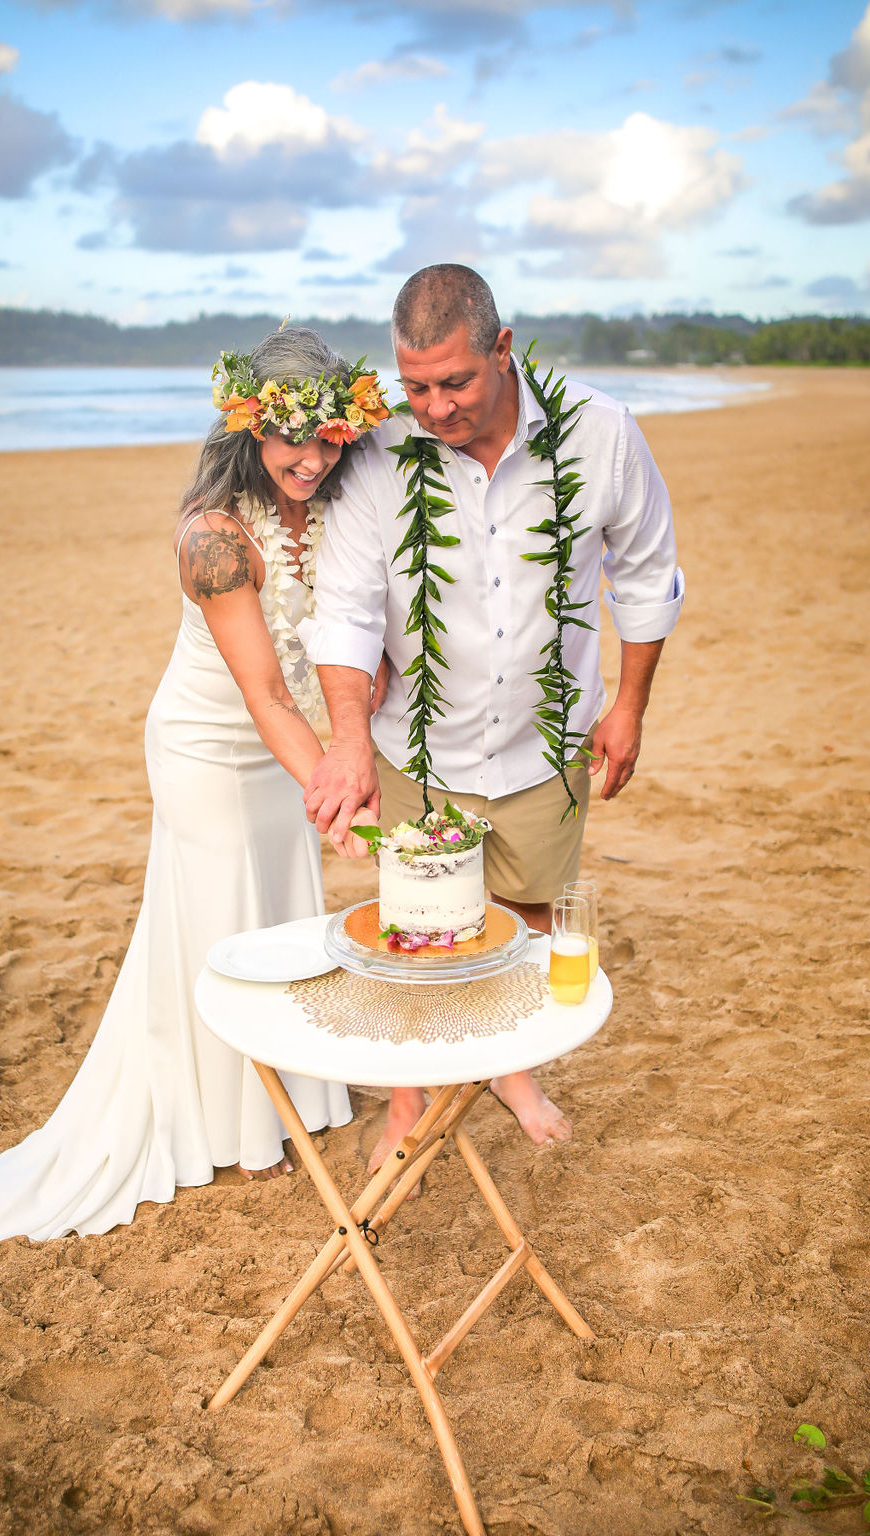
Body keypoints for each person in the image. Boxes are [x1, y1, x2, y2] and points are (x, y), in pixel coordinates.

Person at [0, 327, 390, 1245]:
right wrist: (338, 794)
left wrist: (349, 745)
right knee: (221, 923)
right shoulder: (213, 538)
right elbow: (264, 692)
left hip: (292, 747)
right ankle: (234, 1128)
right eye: (289, 436)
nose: (310, 458)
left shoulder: (344, 503)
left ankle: (292, 1097)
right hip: (210, 748)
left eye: (328, 437)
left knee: (281, 908)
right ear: (249, 428)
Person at [302, 264, 684, 1162]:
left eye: (455, 382)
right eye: (416, 387)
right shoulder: (378, 454)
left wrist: (629, 706)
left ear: (502, 349)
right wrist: (348, 740)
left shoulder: (602, 434)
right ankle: (408, 1098)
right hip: (418, 744)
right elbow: (347, 608)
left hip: (545, 742)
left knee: (529, 916)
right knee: (414, 926)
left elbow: (645, 574)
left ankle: (512, 1070)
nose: (434, 408)